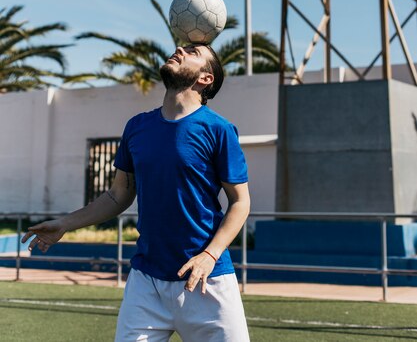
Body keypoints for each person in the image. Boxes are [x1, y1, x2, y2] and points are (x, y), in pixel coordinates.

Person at [22, 43, 251, 341]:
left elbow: (240, 201)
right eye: (181, 46)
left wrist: (210, 254)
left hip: (207, 279)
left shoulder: (219, 129)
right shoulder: (137, 127)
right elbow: (118, 195)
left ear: (205, 78)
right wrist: (65, 223)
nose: (179, 48)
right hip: (147, 282)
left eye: (193, 52)